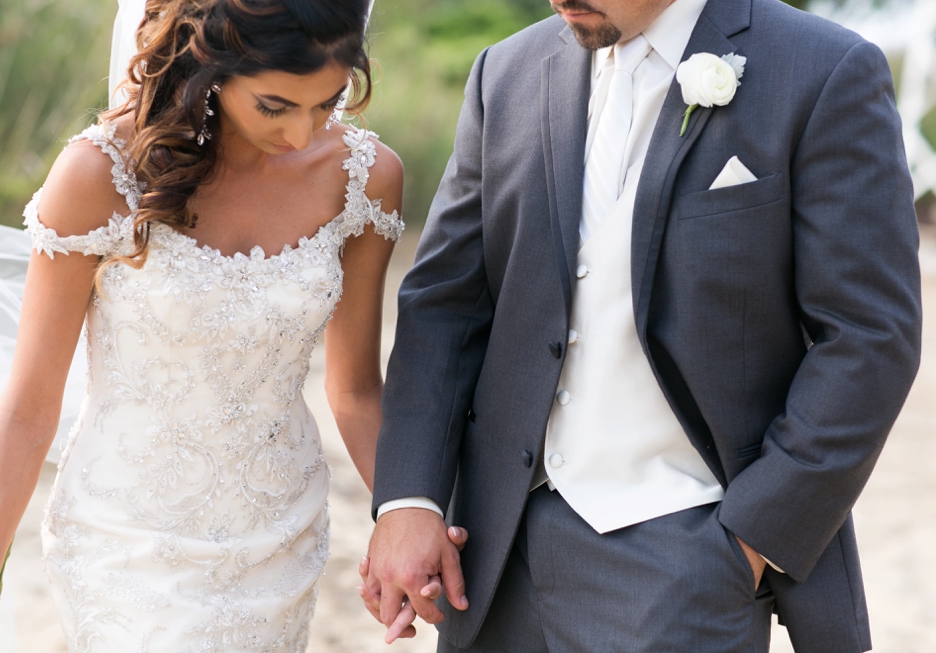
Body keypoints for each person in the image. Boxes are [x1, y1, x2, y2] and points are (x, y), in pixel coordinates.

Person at [361, 0, 923, 651]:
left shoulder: (823, 71)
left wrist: (750, 541)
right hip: (494, 558)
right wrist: (410, 498)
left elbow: (869, 336)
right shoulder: (505, 73)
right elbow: (444, 304)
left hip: (690, 561)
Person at [0, 1, 409, 651]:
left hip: (279, 536)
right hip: (126, 543)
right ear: (211, 62)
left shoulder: (365, 179)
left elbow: (357, 391)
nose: (305, 134)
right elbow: (29, 407)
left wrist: (403, 513)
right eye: (276, 106)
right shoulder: (99, 175)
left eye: (328, 101)